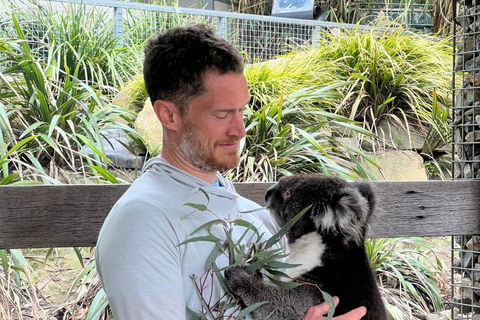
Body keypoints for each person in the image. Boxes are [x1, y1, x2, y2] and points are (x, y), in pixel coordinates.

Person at [95, 24, 367, 320]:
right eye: (222, 114)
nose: (239, 131)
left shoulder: (254, 215)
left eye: (242, 112)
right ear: (169, 115)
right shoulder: (143, 223)